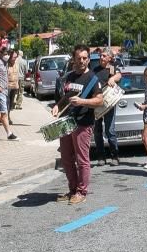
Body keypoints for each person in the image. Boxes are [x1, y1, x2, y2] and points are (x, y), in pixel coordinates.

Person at [52, 44, 104, 205]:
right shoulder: (70, 76)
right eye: (78, 58)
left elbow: (100, 100)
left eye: (84, 58)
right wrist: (57, 106)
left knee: (82, 160)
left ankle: (82, 191)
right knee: (66, 158)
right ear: (73, 60)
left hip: (83, 123)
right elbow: (67, 96)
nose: (82, 61)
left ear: (88, 59)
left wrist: (83, 101)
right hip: (67, 122)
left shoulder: (93, 79)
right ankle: (72, 189)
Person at [93, 49, 123, 166]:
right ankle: (101, 157)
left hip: (109, 104)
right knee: (97, 131)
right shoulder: (94, 70)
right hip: (97, 103)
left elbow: (119, 75)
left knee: (110, 130)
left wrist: (113, 78)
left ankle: (115, 156)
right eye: (101, 55)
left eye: (104, 56)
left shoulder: (111, 68)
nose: (102, 57)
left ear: (110, 58)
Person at [6, 50, 21, 125]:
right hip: (7, 86)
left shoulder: (17, 63)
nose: (15, 58)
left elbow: (18, 74)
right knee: (6, 103)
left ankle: (8, 116)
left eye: (16, 57)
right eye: (14, 57)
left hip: (14, 86)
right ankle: (6, 118)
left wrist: (18, 85)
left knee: (11, 103)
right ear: (10, 57)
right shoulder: (6, 64)